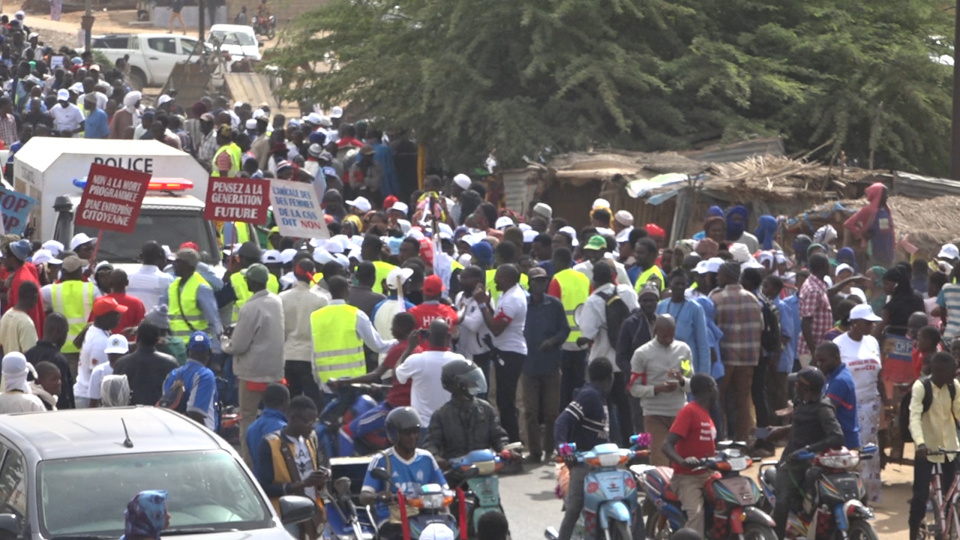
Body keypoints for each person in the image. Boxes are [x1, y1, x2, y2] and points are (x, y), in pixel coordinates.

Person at [766, 367, 844, 539]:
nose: (795, 386)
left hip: (812, 460)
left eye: (798, 384)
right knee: (782, 502)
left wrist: (809, 450)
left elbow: (837, 437)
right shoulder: (800, 402)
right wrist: (779, 430)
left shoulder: (823, 408)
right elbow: (800, 427)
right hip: (791, 461)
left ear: (806, 388)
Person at [222, 263, 285, 463]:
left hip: (252, 373)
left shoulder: (250, 308)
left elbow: (238, 346)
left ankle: (249, 463)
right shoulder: (276, 301)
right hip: (275, 371)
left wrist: (225, 343)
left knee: (247, 419)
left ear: (252, 281)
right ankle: (276, 459)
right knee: (275, 416)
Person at [335, 312, 423, 455]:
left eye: (393, 326)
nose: (391, 330)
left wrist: (345, 381)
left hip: (392, 408)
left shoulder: (399, 350)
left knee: (346, 431)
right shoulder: (418, 350)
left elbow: (375, 375)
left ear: (401, 328)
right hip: (409, 405)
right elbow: (405, 382)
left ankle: (344, 471)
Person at [360, 407, 448, 539]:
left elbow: (444, 489)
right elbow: (364, 496)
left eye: (416, 432)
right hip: (393, 520)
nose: (413, 437)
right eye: (407, 433)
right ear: (394, 434)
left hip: (425, 517)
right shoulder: (381, 460)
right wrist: (379, 496)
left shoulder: (427, 458)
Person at [578, 261, 639, 445]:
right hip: (627, 361)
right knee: (626, 408)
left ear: (594, 279)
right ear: (613, 276)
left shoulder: (593, 301)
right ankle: (631, 446)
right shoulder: (628, 292)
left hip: (603, 364)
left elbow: (588, 333)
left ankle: (610, 445)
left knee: (604, 408)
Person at [554, 357, 613, 540]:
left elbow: (603, 435)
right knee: (575, 507)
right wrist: (564, 450)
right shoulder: (589, 395)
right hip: (583, 464)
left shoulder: (601, 398)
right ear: (610, 378)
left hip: (603, 465)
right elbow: (562, 421)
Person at [255, 396, 328, 540]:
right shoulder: (270, 443)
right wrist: (302, 484)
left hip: (313, 513)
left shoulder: (312, 438)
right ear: (293, 418)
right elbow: (263, 487)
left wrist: (325, 474)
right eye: (308, 421)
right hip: (286, 517)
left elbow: (323, 462)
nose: (312, 426)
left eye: (315, 421)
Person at [832, 304, 884, 500]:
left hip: (871, 402)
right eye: (867, 322)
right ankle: (851, 492)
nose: (871, 326)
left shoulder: (872, 342)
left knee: (870, 450)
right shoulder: (839, 343)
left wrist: (885, 403)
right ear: (854, 323)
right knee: (854, 448)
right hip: (848, 403)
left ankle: (869, 495)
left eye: (872, 323)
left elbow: (879, 374)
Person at [424, 359, 511, 475]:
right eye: (471, 380)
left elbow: (498, 436)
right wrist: (436, 458)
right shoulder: (441, 415)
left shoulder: (486, 409)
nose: (475, 383)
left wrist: (505, 449)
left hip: (485, 469)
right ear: (457, 384)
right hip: (456, 473)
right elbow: (431, 443)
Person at [472, 263, 528, 442]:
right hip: (505, 351)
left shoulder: (513, 298)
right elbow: (497, 319)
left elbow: (496, 328)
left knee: (506, 402)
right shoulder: (508, 295)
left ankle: (513, 443)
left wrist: (481, 306)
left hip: (511, 353)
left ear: (507, 279)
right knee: (503, 401)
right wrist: (488, 305)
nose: (494, 280)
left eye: (498, 277)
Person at [909, 352, 960, 540]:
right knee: (919, 498)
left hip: (950, 449)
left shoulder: (954, 387)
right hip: (927, 449)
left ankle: (947, 527)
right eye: (952, 373)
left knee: (951, 491)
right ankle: (913, 533)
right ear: (938, 371)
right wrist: (920, 444)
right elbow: (914, 417)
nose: (955, 375)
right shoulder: (921, 387)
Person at [709, 261, 762, 441]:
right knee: (743, 401)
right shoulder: (753, 298)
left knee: (720, 399)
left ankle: (722, 439)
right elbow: (760, 327)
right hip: (748, 358)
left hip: (725, 358)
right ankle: (744, 440)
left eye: (719, 275)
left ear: (727, 276)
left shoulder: (716, 299)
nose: (717, 278)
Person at [629, 315, 692, 466]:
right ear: (655, 331)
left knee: (682, 460)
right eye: (664, 336)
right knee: (660, 462)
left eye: (671, 335)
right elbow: (633, 389)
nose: (668, 340)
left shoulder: (683, 350)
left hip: (679, 414)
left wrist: (681, 380)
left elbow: (691, 383)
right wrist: (656, 389)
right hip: (654, 415)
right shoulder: (642, 354)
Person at [520, 267, 569, 462]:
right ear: (530, 284)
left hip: (550, 365)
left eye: (543, 281)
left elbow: (564, 330)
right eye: (536, 281)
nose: (540, 284)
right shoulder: (523, 304)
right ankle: (534, 451)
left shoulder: (555, 305)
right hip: (529, 365)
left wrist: (553, 341)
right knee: (531, 411)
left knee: (551, 412)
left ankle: (550, 449)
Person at [312, 275, 395, 388]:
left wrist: (317, 381)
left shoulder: (315, 316)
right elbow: (378, 345)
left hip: (326, 383)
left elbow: (312, 351)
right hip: (353, 383)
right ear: (346, 291)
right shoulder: (356, 315)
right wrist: (399, 342)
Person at [662, 374, 718, 538]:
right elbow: (666, 445)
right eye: (715, 386)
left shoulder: (707, 414)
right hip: (687, 477)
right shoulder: (689, 411)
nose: (717, 390)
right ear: (710, 388)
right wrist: (682, 461)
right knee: (696, 514)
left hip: (709, 474)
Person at [395, 320, 465, 427]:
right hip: (450, 425)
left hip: (423, 426)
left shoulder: (416, 361)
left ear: (427, 337)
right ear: (449, 337)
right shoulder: (459, 361)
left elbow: (398, 373)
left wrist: (409, 348)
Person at [548, 247, 591, 410]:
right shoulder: (584, 279)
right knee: (578, 385)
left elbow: (551, 311)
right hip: (582, 340)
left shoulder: (556, 280)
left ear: (558, 261)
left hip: (563, 342)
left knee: (563, 388)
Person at [280, 259, 327, 407]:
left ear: (295, 273)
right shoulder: (321, 299)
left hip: (288, 356)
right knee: (313, 403)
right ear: (313, 275)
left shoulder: (282, 298)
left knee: (291, 402)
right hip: (309, 358)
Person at [43, 254, 100, 375]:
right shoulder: (92, 289)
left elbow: (35, 295)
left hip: (61, 346)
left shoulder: (51, 290)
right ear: (79, 271)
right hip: (85, 345)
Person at [162, 248, 222, 352]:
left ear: (188, 265)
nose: (173, 265)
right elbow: (161, 311)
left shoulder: (201, 287)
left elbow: (214, 320)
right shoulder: (172, 286)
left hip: (196, 346)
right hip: (176, 346)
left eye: (177, 261)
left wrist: (216, 349)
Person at [73, 297, 126, 408]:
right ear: (106, 317)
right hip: (88, 399)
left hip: (84, 395)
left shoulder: (95, 330)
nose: (120, 317)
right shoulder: (100, 343)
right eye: (116, 314)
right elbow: (99, 380)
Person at [162, 331, 219, 430]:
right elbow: (195, 412)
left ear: (188, 352)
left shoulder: (173, 374)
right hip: (198, 437)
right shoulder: (205, 375)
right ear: (209, 353)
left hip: (173, 432)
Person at [656, 271, 710, 376]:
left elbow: (703, 343)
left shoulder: (695, 309)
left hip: (687, 363)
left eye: (683, 284)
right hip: (664, 362)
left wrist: (704, 374)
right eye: (677, 284)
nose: (680, 287)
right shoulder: (661, 306)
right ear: (670, 284)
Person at [113, 321, 178, 406]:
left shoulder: (121, 363)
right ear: (157, 340)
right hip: (159, 415)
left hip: (129, 415)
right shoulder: (171, 363)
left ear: (136, 338)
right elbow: (176, 395)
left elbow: (114, 395)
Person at [813, 342, 860, 452]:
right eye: (817, 361)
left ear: (835, 357)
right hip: (839, 438)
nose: (819, 364)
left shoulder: (840, 380)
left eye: (823, 361)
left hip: (844, 442)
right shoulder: (832, 376)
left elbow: (825, 410)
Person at [24, 313, 75, 409]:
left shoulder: (29, 354)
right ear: (59, 332)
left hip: (30, 411)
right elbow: (65, 396)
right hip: (54, 415)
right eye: (66, 332)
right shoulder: (59, 360)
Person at [843, 182, 895, 268]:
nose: (887, 196)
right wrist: (861, 234)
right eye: (885, 194)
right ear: (878, 195)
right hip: (873, 251)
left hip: (887, 251)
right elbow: (848, 224)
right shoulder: (867, 211)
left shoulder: (886, 211)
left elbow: (890, 230)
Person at [245, 383, 290, 471]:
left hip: (258, 480)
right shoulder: (284, 429)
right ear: (285, 402)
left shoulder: (251, 428)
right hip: (279, 481)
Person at [5, 238, 44, 336]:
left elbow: (19, 314)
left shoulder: (20, 280)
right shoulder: (28, 269)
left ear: (13, 259)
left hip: (24, 333)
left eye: (6, 257)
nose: (3, 260)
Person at [127, 242, 175, 313]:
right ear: (161, 258)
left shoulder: (128, 278)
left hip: (133, 323)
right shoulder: (167, 279)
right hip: (156, 323)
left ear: (141, 257)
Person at [88, 334, 129, 407]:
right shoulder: (98, 371)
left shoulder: (130, 369)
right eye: (112, 354)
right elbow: (93, 402)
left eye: (119, 354)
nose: (116, 357)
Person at [0, 281, 39, 354]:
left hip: (6, 364)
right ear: (35, 296)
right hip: (21, 365)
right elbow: (30, 354)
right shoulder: (26, 323)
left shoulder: (6, 315)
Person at [106, 269, 146, 335]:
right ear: (127, 283)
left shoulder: (101, 302)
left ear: (109, 284)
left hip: (107, 342)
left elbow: (92, 324)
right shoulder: (137, 303)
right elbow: (142, 327)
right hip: (129, 343)